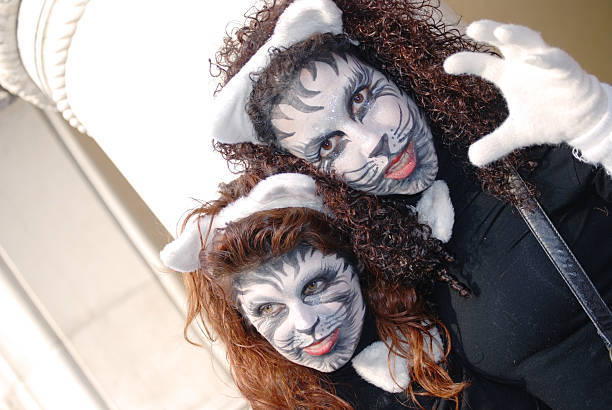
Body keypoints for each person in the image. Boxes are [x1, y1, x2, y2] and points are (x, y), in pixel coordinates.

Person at [205, 1, 612, 408]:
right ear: (314, 175)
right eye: (329, 145)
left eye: (361, 99)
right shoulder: (394, 262)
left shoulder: (523, 144)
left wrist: (601, 128)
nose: (371, 143)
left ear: (395, 68)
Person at [160, 173, 545, 409]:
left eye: (315, 285)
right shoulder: (288, 400)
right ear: (244, 321)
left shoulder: (457, 325)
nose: (305, 323)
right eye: (267, 310)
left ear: (356, 262)